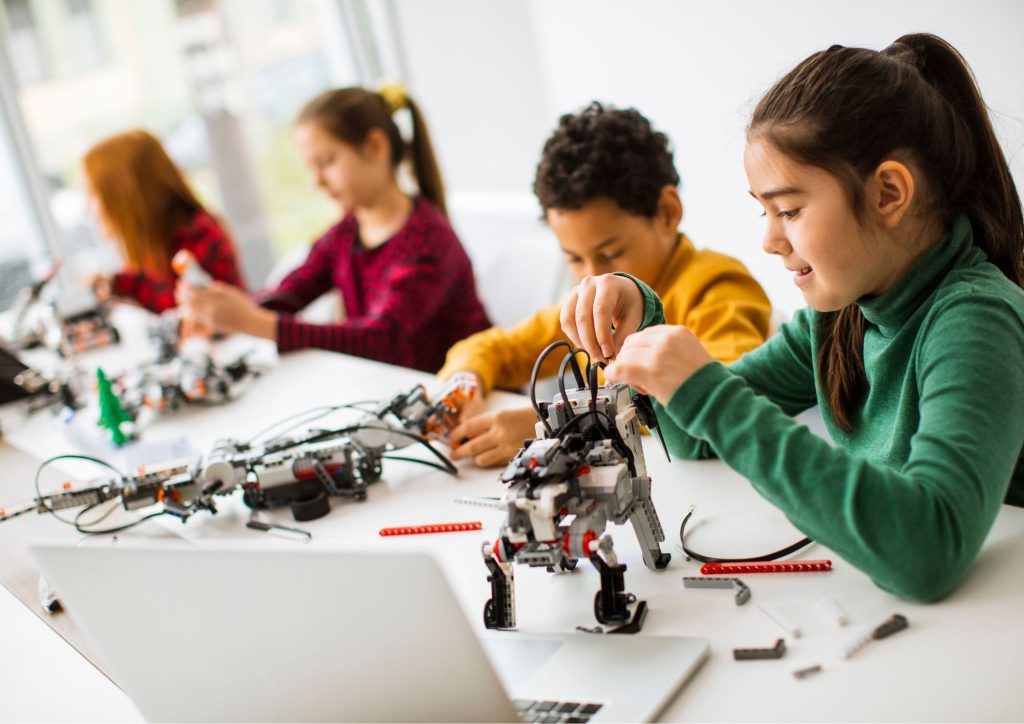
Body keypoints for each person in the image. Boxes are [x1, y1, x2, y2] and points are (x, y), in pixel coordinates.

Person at [561, 34, 1024, 602]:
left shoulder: (975, 319)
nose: (770, 240)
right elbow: (695, 440)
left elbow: (930, 552)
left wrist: (708, 393)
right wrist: (644, 327)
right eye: (763, 211)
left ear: (888, 193)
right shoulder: (842, 316)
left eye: (789, 210)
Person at [441, 103, 771, 467]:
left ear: (666, 212)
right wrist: (464, 384)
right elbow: (496, 348)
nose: (590, 276)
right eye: (574, 257)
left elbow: (720, 401)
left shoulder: (717, 287)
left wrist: (560, 426)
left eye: (610, 253)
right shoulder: (595, 301)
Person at [177, 85, 491, 373]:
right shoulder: (345, 233)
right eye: (310, 168)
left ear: (374, 146)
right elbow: (291, 292)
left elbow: (382, 341)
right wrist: (223, 313)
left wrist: (254, 321)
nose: (316, 181)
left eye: (326, 162)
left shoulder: (428, 240)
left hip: (472, 404)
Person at [83, 130, 245, 313]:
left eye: (93, 194)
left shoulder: (198, 235)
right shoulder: (155, 244)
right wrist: (115, 283)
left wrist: (121, 285)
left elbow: (190, 310)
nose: (90, 209)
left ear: (125, 195)